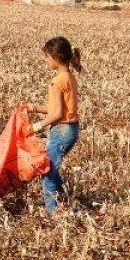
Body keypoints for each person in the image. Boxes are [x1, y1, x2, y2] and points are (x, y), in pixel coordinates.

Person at [27, 36, 82, 214]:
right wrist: (34, 108)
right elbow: (58, 108)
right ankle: (63, 199)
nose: (45, 60)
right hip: (72, 129)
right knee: (52, 167)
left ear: (56, 57)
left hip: (61, 130)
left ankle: (53, 212)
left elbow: (57, 114)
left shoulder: (57, 82)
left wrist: (37, 126)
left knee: (47, 171)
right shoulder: (69, 77)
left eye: (47, 57)